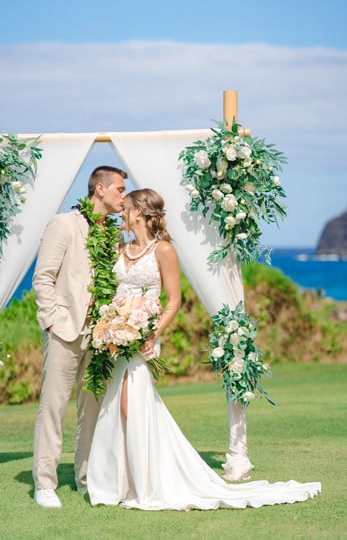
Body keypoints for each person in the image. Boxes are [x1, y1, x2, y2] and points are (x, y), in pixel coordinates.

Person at [87, 188, 321, 510]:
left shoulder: (164, 250)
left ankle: (149, 480)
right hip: (118, 335)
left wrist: (151, 331)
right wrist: (111, 323)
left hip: (144, 335)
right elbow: (112, 288)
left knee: (132, 404)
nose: (121, 214)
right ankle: (124, 481)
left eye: (125, 209)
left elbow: (173, 300)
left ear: (140, 212)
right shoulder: (121, 247)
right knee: (120, 404)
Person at [32, 165, 127, 508]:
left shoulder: (114, 235)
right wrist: (53, 321)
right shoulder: (63, 224)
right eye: (118, 189)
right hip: (65, 329)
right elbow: (42, 278)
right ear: (99, 190)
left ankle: (86, 477)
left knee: (92, 408)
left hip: (101, 335)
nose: (123, 197)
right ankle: (44, 483)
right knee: (53, 406)